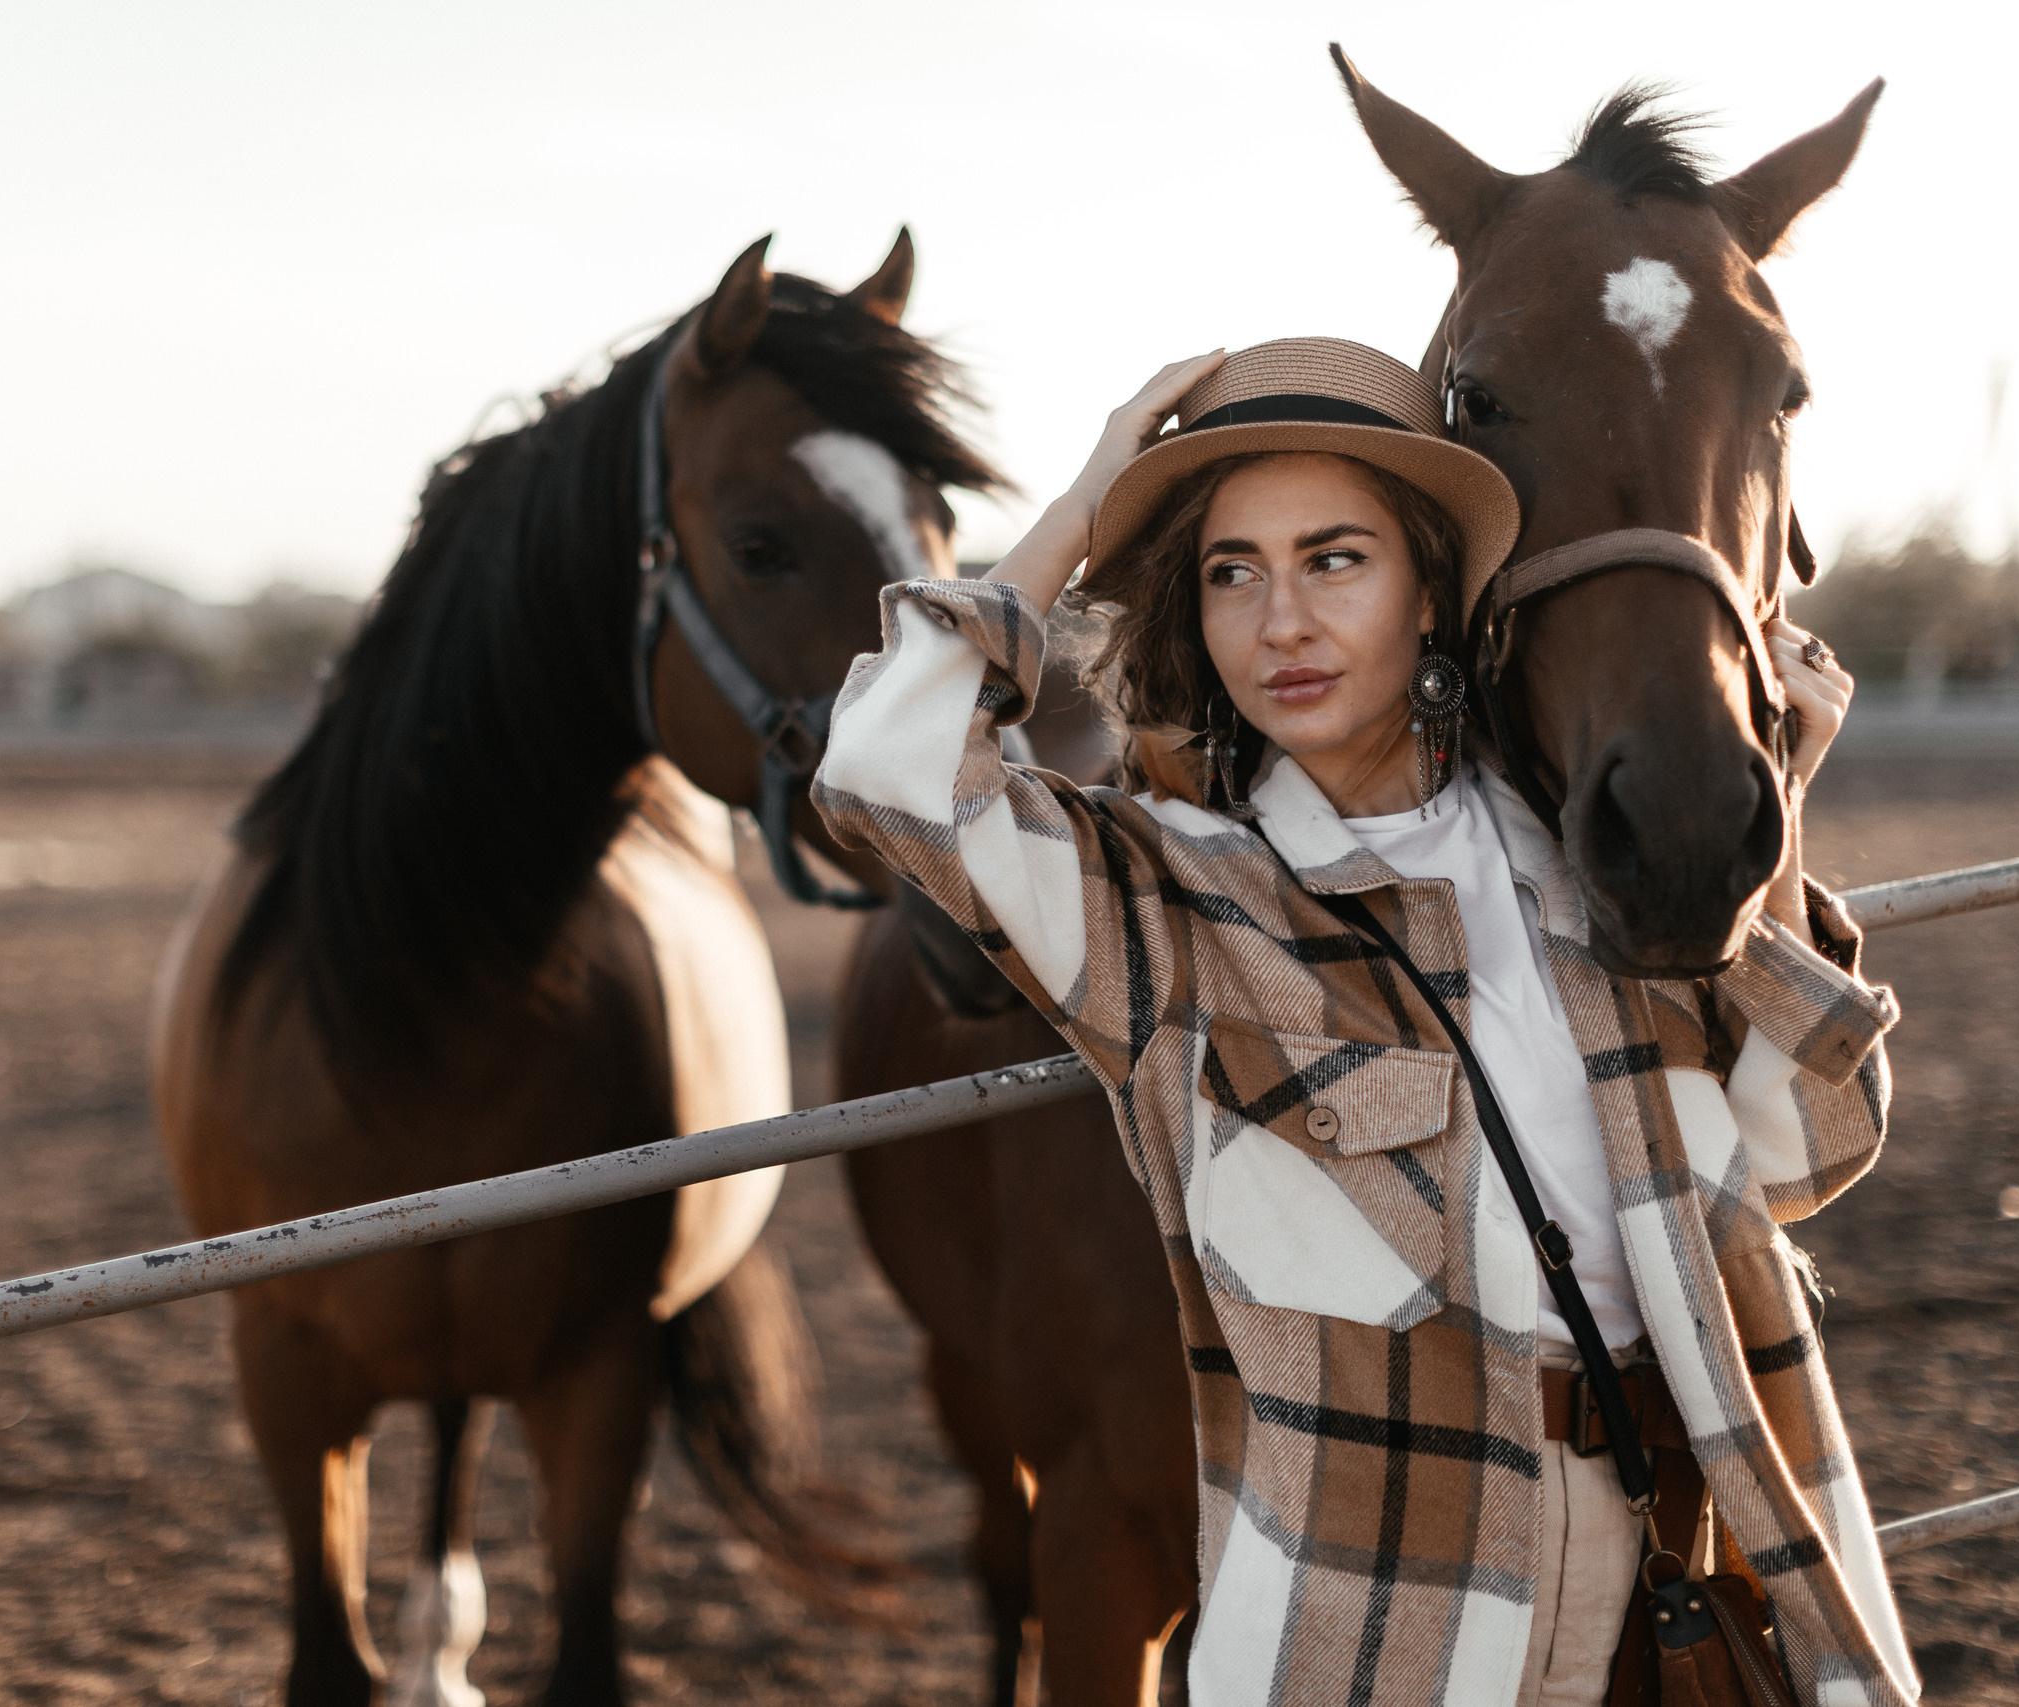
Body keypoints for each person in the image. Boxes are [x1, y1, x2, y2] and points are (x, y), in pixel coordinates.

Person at [814, 339, 1910, 1707]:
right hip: (1376, 1632)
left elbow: (1807, 1152)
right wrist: (1095, 497)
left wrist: (1777, 834)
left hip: (1676, 1583)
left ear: (1433, 592)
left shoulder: (1585, 869)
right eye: (1231, 571)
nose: (1280, 622)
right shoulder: (1169, 905)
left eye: (1335, 559)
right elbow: (886, 768)